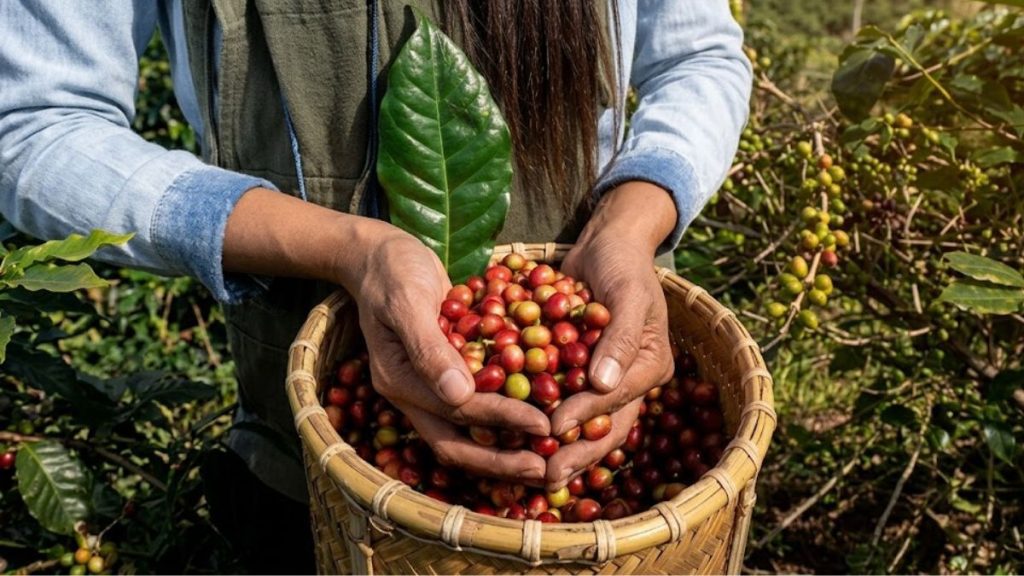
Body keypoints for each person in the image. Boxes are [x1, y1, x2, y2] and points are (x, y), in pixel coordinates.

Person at [1, 0, 751, 571]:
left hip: (616, 451)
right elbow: (37, 125)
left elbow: (696, 58)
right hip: (320, 472)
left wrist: (627, 224)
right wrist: (351, 252)